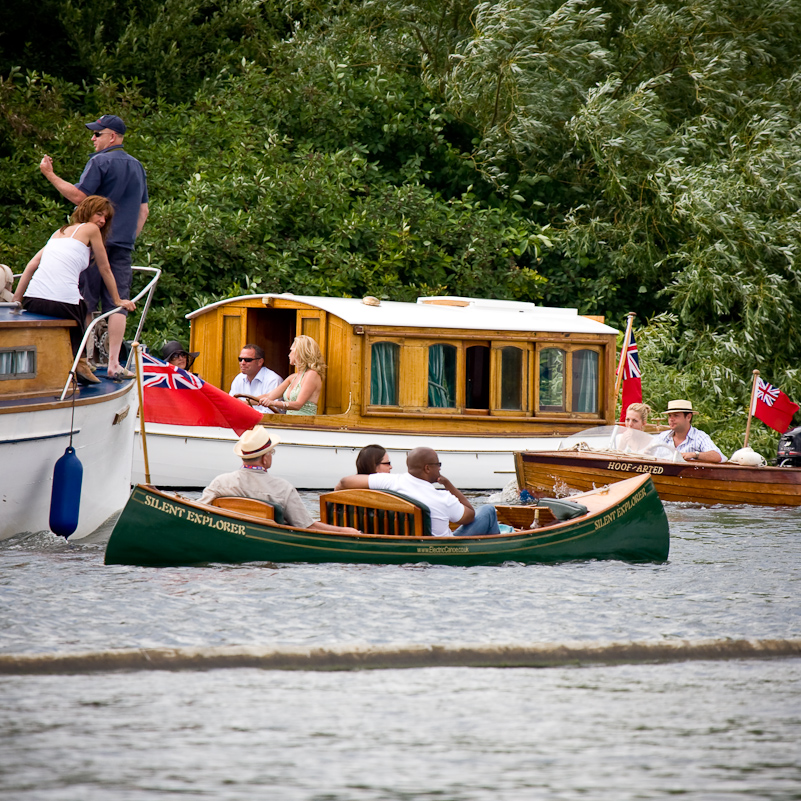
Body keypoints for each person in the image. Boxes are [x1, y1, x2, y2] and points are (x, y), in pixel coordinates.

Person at [39, 114, 148, 380]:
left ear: (112, 137)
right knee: (119, 302)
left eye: (97, 134)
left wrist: (50, 175)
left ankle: (83, 360)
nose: (93, 138)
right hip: (122, 246)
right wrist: (126, 238)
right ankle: (114, 363)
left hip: (91, 243)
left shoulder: (99, 161)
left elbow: (79, 196)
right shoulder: (137, 166)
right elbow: (143, 211)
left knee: (85, 301)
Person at [12, 195, 136, 385]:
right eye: (99, 214)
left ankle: (53, 364)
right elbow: (105, 268)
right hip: (63, 303)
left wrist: (16, 301)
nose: (102, 221)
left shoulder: (58, 233)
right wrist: (118, 300)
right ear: (87, 211)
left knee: (72, 308)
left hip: (33, 300)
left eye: (106, 218)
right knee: (82, 309)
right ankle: (81, 362)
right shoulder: (90, 229)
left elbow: (31, 266)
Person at [198, 428, 361, 535]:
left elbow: (199, 508)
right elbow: (306, 527)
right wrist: (345, 531)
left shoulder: (221, 482)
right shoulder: (283, 488)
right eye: (272, 452)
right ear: (265, 458)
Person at [335, 446, 501, 536]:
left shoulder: (390, 481)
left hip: (406, 541)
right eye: (438, 465)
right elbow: (470, 516)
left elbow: (343, 482)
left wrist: (340, 496)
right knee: (488, 510)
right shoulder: (443, 498)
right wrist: (449, 485)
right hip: (443, 549)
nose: (440, 468)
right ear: (428, 468)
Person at [258, 335, 324, 416]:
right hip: (290, 422)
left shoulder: (312, 374)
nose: (289, 355)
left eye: (291, 351)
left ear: (299, 352)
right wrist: (245, 402)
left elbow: (298, 404)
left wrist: (273, 403)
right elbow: (269, 396)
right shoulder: (293, 377)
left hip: (305, 423)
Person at [655, 399, 726, 462]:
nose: (671, 419)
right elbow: (647, 456)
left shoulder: (700, 437)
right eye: (670, 416)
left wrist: (694, 455)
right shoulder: (662, 437)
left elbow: (718, 456)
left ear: (688, 417)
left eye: (676, 415)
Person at [229, 344, 282, 413]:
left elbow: (271, 413)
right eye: (240, 359)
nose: (242, 363)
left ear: (260, 362)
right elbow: (230, 405)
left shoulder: (273, 380)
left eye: (248, 360)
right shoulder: (239, 378)